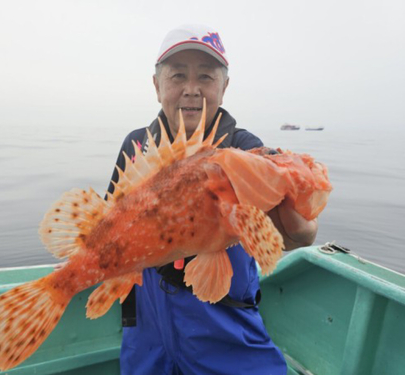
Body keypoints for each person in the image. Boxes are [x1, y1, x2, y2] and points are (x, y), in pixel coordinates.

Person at [107, 24, 318, 375]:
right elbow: (107, 219)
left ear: (224, 87)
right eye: (177, 76)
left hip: (224, 320)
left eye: (206, 76)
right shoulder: (136, 146)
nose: (192, 89)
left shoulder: (246, 149)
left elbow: (291, 232)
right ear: (157, 86)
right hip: (146, 321)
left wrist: (296, 230)